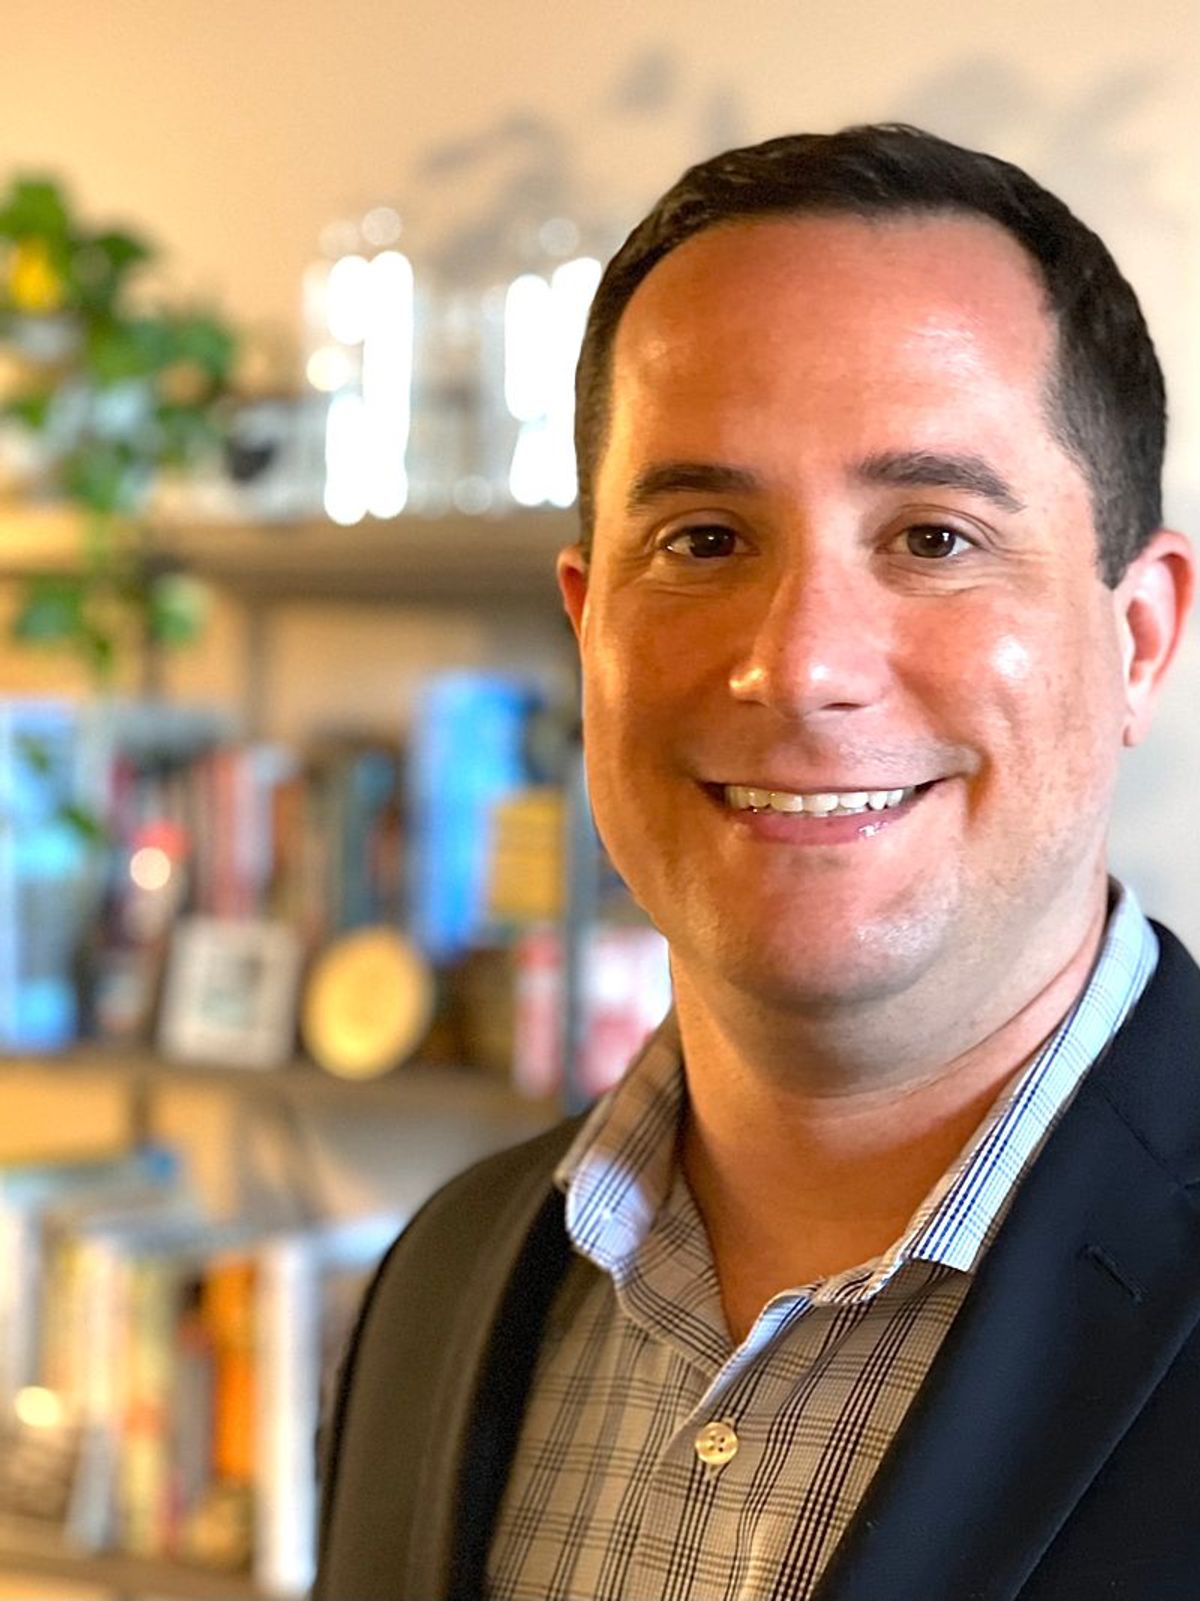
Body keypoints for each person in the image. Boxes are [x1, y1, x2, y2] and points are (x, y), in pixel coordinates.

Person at [313, 124, 1198, 1601]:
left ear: (1139, 635)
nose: (799, 666)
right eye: (708, 537)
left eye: (932, 535)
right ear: (590, 626)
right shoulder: (442, 1277)